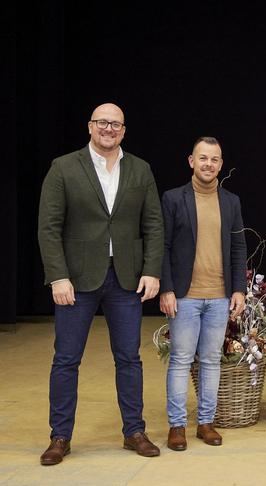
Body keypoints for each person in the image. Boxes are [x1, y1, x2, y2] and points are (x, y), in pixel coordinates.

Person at [37, 103, 164, 465]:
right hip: (76, 280)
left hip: (126, 279)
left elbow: (153, 225)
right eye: (102, 122)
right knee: (65, 360)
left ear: (123, 130)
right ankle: (60, 436)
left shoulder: (140, 169)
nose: (109, 128)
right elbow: (48, 227)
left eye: (116, 124)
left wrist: (152, 270)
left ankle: (134, 432)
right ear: (90, 126)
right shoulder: (63, 167)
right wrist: (58, 276)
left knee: (129, 359)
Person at [159, 137, 247, 451]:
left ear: (221, 164)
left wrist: (239, 289)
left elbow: (238, 248)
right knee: (181, 361)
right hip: (184, 296)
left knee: (211, 361)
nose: (208, 164)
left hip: (220, 296)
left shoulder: (231, 201)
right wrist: (166, 288)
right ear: (191, 161)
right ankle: (177, 426)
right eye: (203, 158)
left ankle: (206, 423)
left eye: (215, 159)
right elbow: (163, 247)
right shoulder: (172, 198)